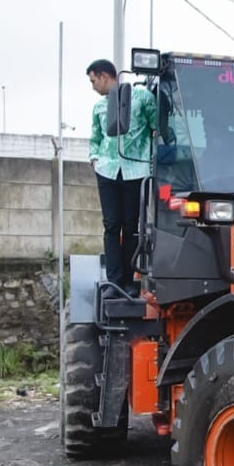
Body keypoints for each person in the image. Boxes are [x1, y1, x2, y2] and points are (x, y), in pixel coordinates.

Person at [86, 59, 157, 295]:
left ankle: (129, 280)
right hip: (107, 170)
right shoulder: (98, 107)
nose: (93, 86)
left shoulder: (143, 98)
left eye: (93, 80)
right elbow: (95, 138)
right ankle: (114, 282)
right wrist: (94, 157)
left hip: (136, 170)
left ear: (105, 76)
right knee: (111, 225)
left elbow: (156, 126)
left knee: (131, 226)